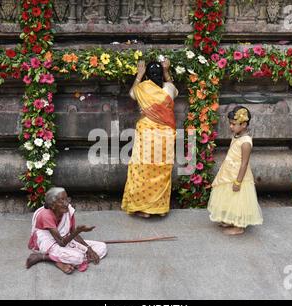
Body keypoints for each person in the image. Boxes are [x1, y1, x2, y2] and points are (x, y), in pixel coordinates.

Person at [121, 58, 178, 218]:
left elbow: (132, 94)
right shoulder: (170, 88)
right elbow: (173, 86)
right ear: (161, 74)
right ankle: (159, 208)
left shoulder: (142, 88)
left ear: (147, 75)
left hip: (147, 132)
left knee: (142, 169)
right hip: (165, 134)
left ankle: (143, 207)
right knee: (162, 169)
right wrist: (167, 71)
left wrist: (139, 75)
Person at [207, 106, 263, 235]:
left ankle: (239, 226)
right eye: (230, 124)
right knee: (229, 196)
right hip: (228, 172)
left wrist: (238, 182)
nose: (231, 127)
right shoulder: (237, 136)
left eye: (234, 124)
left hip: (239, 175)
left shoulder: (246, 143)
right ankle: (229, 219)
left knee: (238, 198)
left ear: (243, 124)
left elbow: (244, 164)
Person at [26, 187, 107, 274]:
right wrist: (77, 231)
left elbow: (72, 233)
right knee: (78, 258)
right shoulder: (46, 215)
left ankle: (64, 259)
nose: (67, 203)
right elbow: (61, 243)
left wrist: (88, 249)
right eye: (61, 200)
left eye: (67, 199)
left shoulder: (68, 211)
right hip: (49, 241)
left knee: (102, 247)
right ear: (52, 205)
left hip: (64, 239)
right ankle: (43, 257)